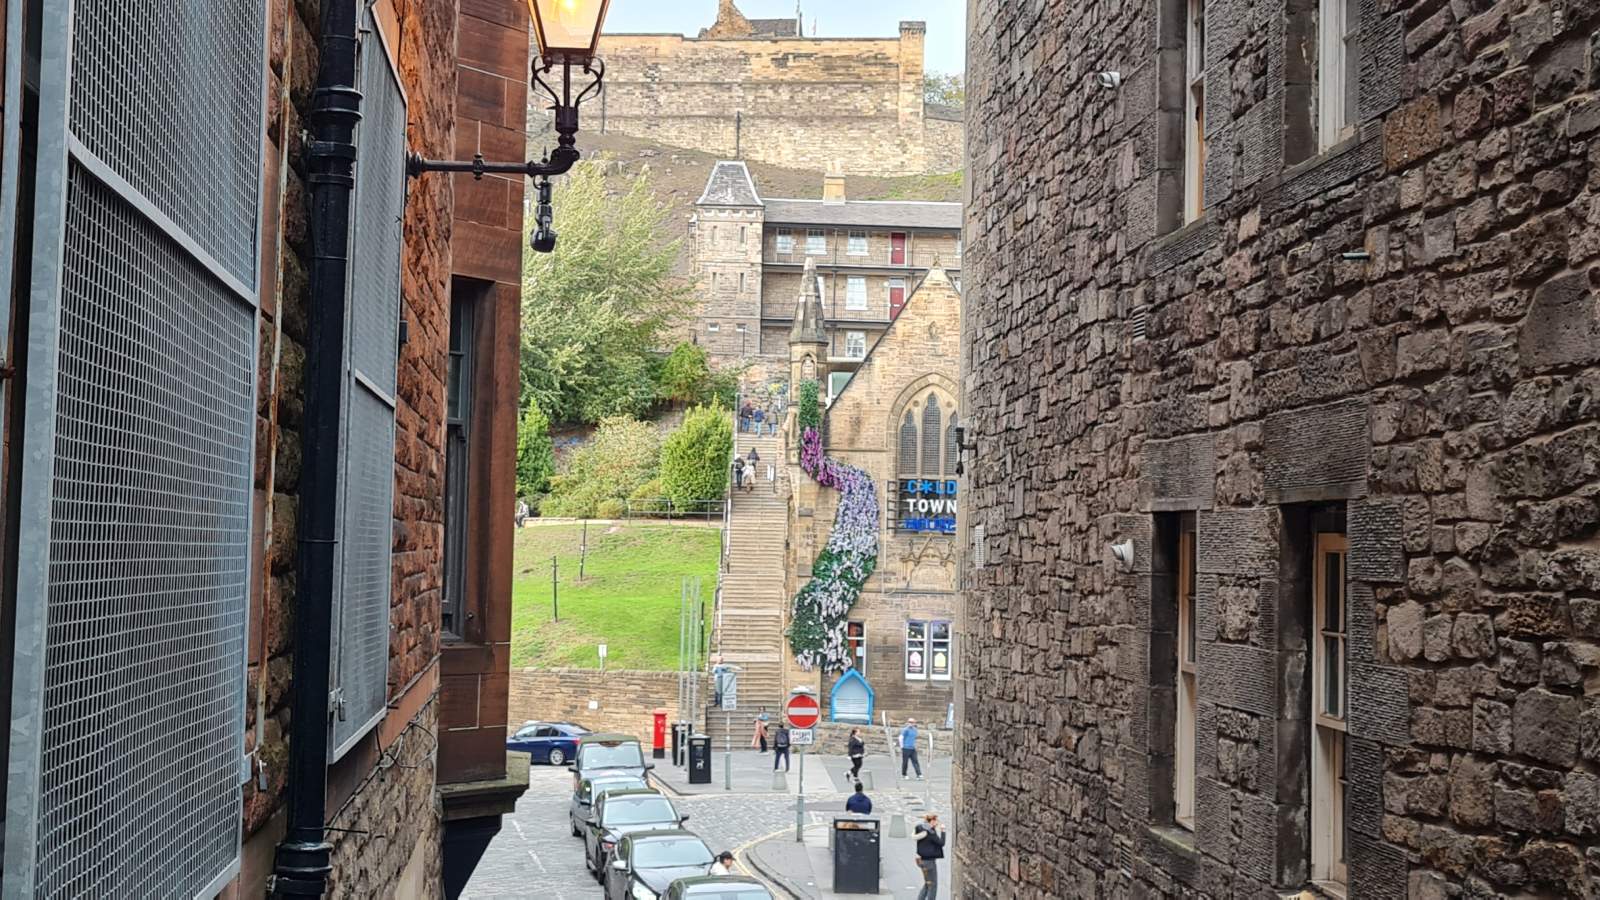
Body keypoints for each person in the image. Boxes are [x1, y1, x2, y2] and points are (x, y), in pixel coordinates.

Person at [914, 813, 945, 900]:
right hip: (929, 862)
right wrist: (943, 831)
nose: (937, 822)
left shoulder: (920, 828)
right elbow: (941, 843)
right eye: (935, 821)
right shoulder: (931, 832)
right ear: (931, 821)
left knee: (928, 883)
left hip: (921, 860)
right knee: (933, 885)